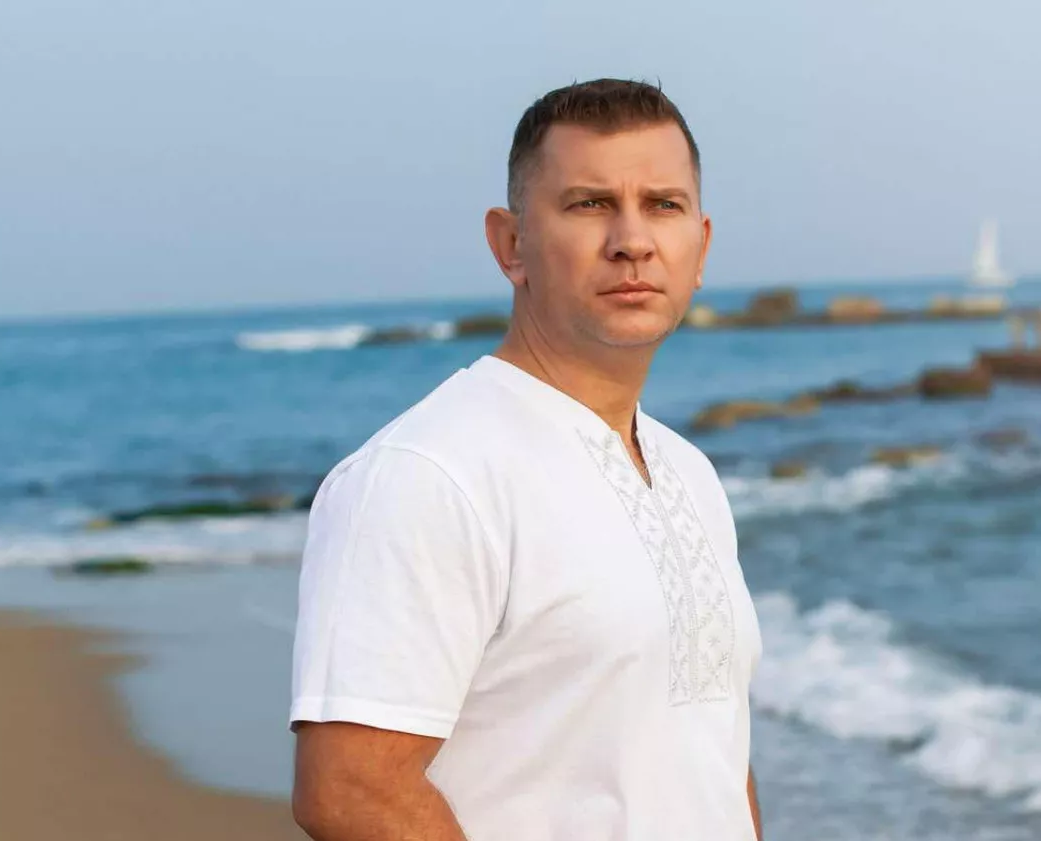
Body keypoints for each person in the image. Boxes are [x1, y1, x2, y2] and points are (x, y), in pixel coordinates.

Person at [290, 78, 764, 841]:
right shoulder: (429, 473)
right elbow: (351, 788)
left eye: (662, 205)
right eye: (589, 203)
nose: (632, 240)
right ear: (511, 244)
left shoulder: (688, 471)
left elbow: (712, 751)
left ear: (700, 246)